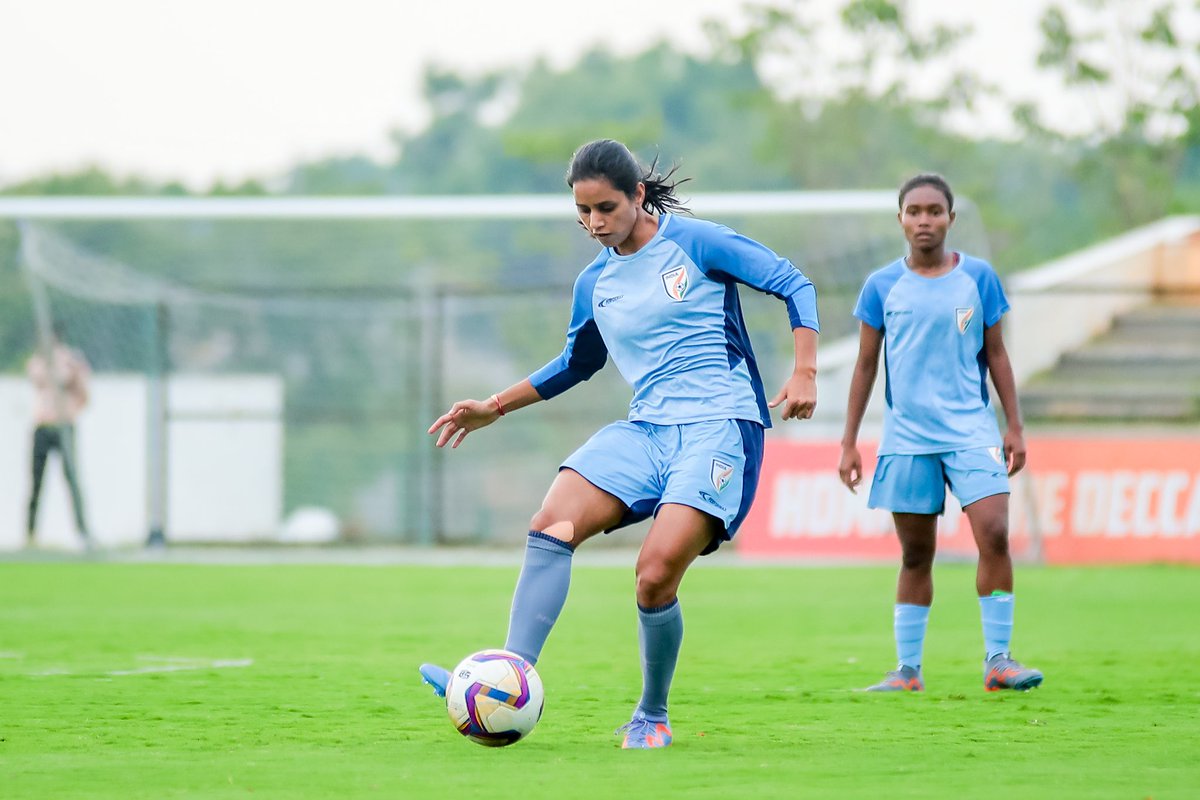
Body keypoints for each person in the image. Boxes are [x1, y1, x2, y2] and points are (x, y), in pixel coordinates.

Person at [421, 138, 820, 748]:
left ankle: (652, 715)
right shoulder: (595, 283)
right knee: (551, 523)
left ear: (637, 195)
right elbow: (576, 364)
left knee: (655, 575)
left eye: (605, 208)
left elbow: (795, 284)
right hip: (646, 430)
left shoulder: (698, 243)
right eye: (582, 211)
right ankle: (506, 679)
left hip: (720, 426)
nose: (593, 223)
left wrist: (805, 371)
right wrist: (493, 407)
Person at [838, 174, 1042, 693]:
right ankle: (907, 671)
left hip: (972, 430)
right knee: (915, 555)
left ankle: (998, 660)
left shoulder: (979, 278)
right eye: (914, 211)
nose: (924, 220)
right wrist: (849, 441)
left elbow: (996, 354)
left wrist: (1013, 426)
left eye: (934, 210)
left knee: (994, 533)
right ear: (901, 219)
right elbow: (865, 365)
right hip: (907, 438)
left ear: (951, 218)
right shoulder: (881, 285)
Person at [26, 324, 91, 546]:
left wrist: (72, 371)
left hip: (64, 425)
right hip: (43, 426)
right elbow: (37, 377)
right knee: (36, 482)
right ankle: (30, 534)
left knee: (72, 480)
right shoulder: (39, 360)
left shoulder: (71, 360)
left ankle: (83, 533)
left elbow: (83, 392)